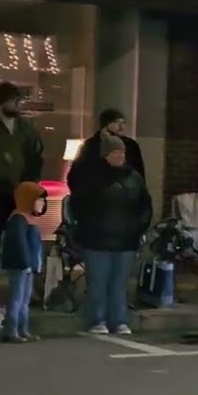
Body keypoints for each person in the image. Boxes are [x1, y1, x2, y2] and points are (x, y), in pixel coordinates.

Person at [69, 136, 153, 335]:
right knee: (98, 282)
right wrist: (88, 225)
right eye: (115, 152)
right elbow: (79, 205)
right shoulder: (91, 177)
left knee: (119, 284)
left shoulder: (133, 177)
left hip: (126, 239)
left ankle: (120, 320)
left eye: (121, 152)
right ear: (105, 154)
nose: (119, 156)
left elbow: (145, 205)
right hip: (97, 239)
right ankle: (98, 319)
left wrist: (138, 226)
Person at [0, 82, 44, 236]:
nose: (18, 105)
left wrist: (32, 183)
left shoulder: (25, 127)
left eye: (20, 101)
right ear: (2, 102)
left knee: (19, 235)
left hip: (21, 192)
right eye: (14, 101)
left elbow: (35, 156)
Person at [0, 182, 46, 343]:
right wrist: (26, 262)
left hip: (28, 266)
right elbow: (19, 243)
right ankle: (11, 330)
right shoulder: (19, 218)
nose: (42, 203)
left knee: (24, 299)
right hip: (20, 265)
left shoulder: (29, 219)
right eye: (39, 200)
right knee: (17, 298)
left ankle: (22, 329)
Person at [69, 108, 145, 193]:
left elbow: (139, 172)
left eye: (123, 123)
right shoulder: (91, 145)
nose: (121, 127)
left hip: (125, 195)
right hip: (95, 196)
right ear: (106, 124)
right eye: (117, 122)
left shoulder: (131, 145)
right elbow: (77, 173)